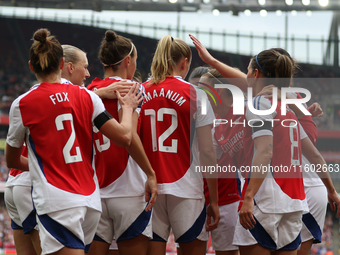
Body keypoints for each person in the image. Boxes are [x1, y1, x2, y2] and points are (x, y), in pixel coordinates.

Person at [189, 34, 340, 255]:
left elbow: (265, 151)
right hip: (295, 201)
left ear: (256, 74)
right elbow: (315, 155)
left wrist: (248, 196)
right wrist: (332, 191)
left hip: (266, 197)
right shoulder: (287, 107)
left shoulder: (259, 103)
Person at [5, 28, 142, 255]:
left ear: (31, 66)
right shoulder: (88, 96)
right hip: (90, 201)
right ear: (62, 64)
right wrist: (128, 108)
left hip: (57, 200)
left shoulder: (22, 103)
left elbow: (11, 160)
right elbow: (126, 136)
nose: (88, 73)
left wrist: (45, 166)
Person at [138, 35, 220, 255]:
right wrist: (213, 198)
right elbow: (207, 152)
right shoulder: (197, 95)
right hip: (187, 189)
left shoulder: (140, 92)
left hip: (149, 188)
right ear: (184, 62)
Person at [86, 30, 157, 255]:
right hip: (129, 190)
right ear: (128, 60)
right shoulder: (133, 89)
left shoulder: (88, 92)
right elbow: (131, 137)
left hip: (96, 190)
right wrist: (151, 173)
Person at [198, 69, 241, 255]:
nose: (197, 95)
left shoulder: (246, 111)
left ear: (220, 92)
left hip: (231, 197)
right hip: (199, 197)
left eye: (202, 90)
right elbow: (209, 159)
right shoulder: (206, 119)